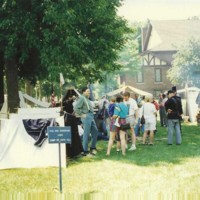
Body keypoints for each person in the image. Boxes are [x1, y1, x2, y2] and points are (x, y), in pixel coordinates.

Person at [73, 87, 98, 156]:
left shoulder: (87, 99)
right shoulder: (81, 98)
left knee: (95, 131)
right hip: (86, 117)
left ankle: (93, 147)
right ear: (83, 92)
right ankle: (85, 150)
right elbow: (76, 108)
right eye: (87, 91)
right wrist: (82, 114)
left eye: (89, 91)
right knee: (86, 133)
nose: (89, 93)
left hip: (91, 116)